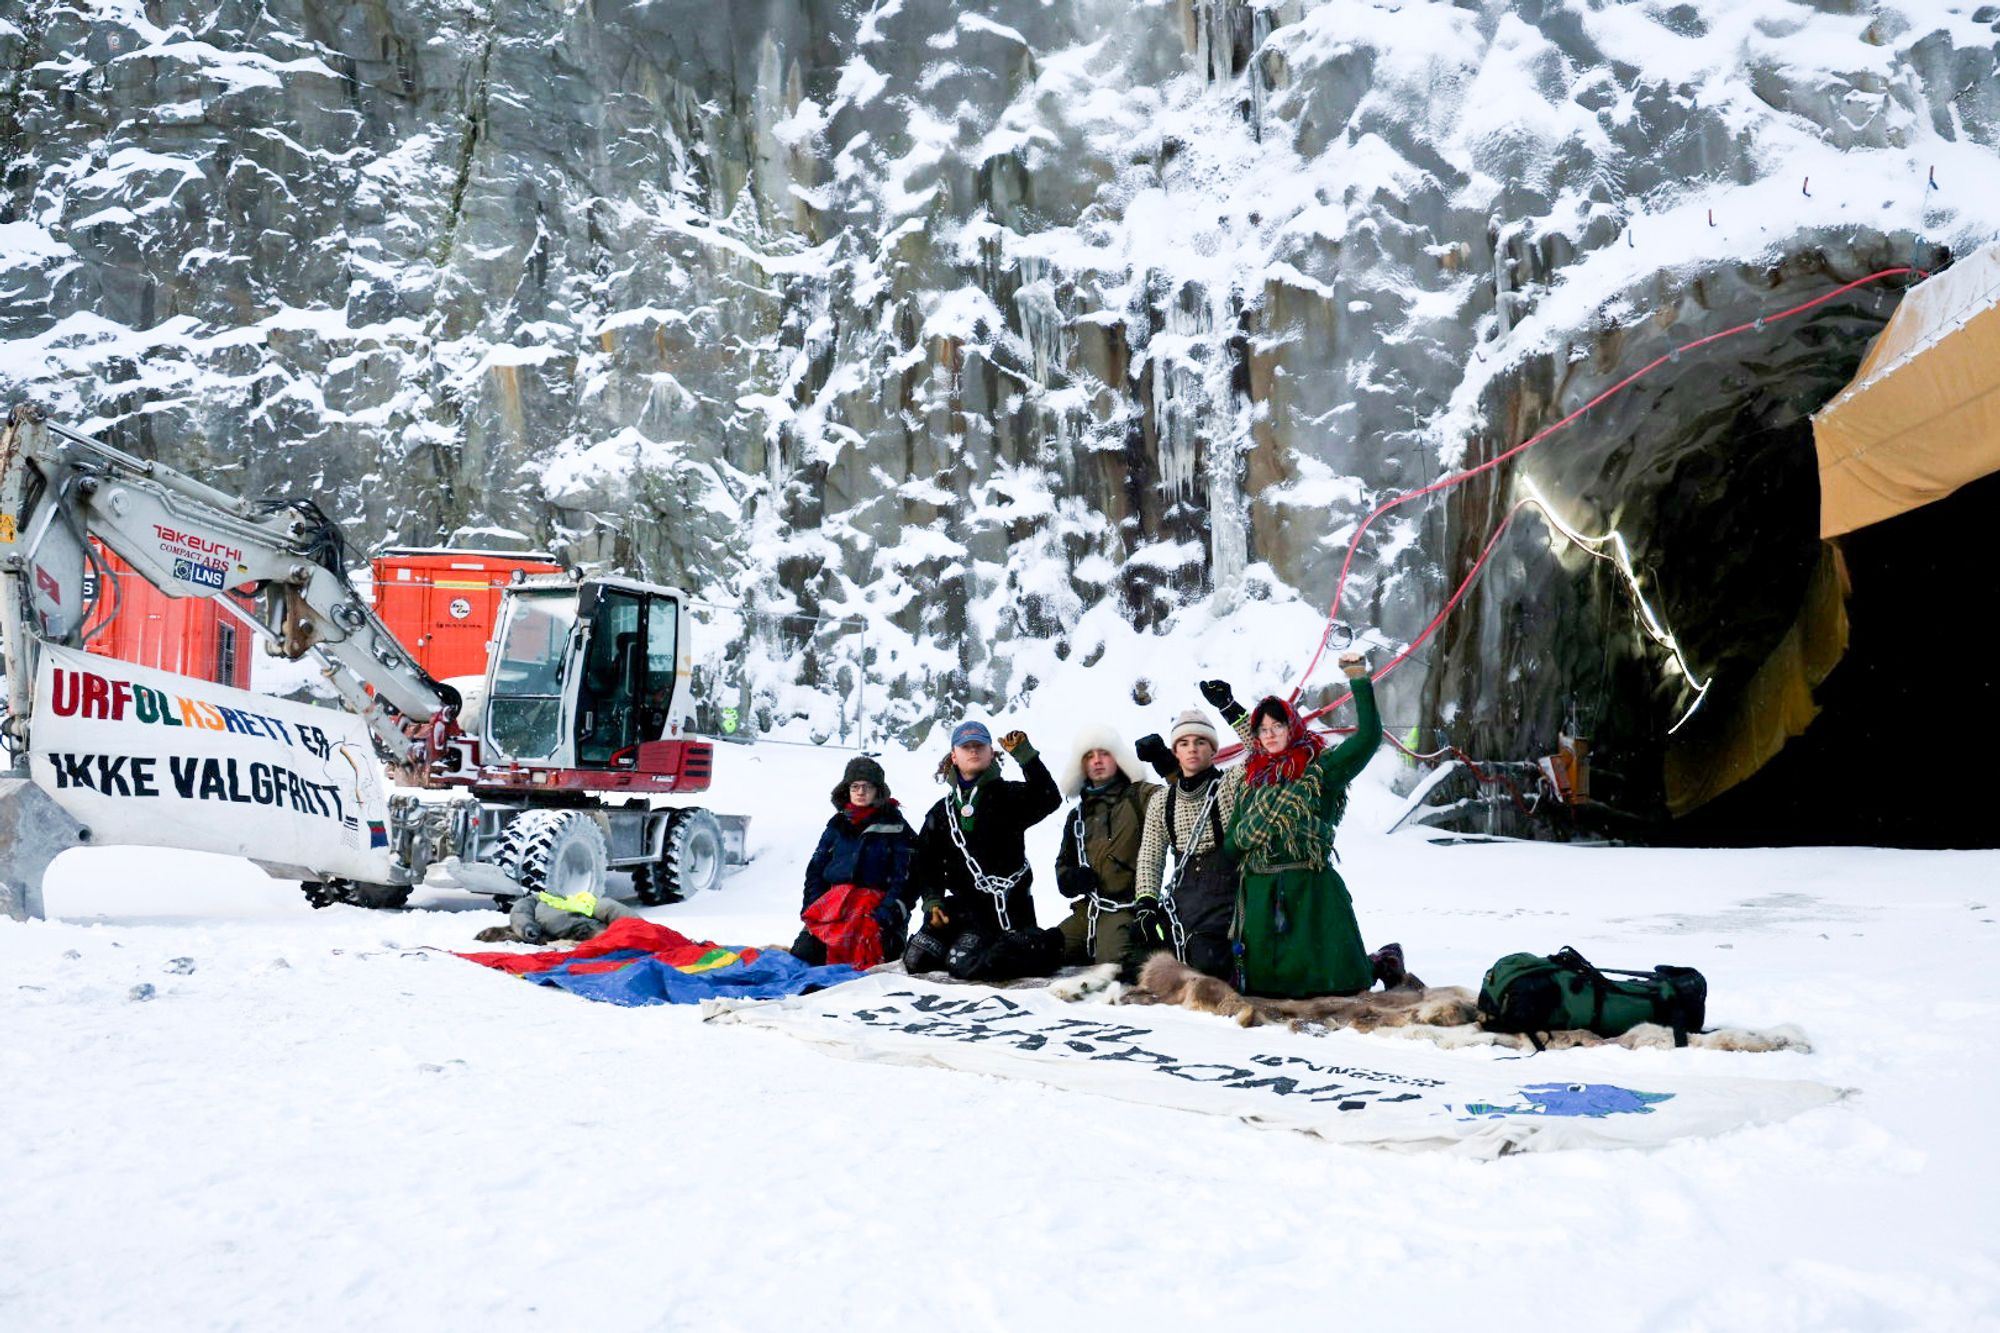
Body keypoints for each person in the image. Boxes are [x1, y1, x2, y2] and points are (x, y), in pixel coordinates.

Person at [1211, 651, 1396, 998]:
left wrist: (1358, 678)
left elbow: (1369, 738)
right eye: (1263, 729)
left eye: (1277, 726)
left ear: (1292, 726)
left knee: (1336, 987)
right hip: (1261, 899)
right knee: (1264, 990)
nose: (1270, 735)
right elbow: (1232, 844)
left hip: (1311, 897)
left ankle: (1384, 963)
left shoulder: (1320, 771)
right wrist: (1251, 833)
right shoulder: (1251, 780)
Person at [903, 720, 1062, 981]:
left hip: (1006, 910)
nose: (973, 750)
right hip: (962, 909)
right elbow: (927, 862)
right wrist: (933, 901)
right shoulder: (941, 812)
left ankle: (1040, 943)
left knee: (966, 964)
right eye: (966, 746)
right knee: (916, 958)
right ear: (954, 756)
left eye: (979, 745)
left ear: (991, 753)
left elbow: (1049, 797)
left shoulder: (1010, 796)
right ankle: (982, 948)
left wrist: (1027, 758)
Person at [1130, 705, 1241, 980]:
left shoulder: (1229, 785)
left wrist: (1231, 709)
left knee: (1205, 962)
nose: (1192, 749)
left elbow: (1263, 754)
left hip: (1225, 899)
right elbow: (1151, 855)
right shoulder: (1162, 800)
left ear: (1213, 750)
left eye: (1200, 742)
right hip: (1182, 898)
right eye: (1184, 743)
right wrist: (1146, 904)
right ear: (1175, 752)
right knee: (1135, 962)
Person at [791, 756, 916, 967]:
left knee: (872, 958)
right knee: (804, 954)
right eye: (855, 786)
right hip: (835, 908)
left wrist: (886, 915)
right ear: (846, 790)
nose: (860, 792)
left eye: (867, 786)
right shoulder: (837, 825)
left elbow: (905, 879)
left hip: (876, 911)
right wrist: (814, 909)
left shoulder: (896, 826)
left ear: (878, 791)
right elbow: (816, 871)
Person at [1052, 728, 1161, 967]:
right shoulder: (1078, 815)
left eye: (1104, 753)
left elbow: (1179, 800)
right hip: (1088, 910)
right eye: (1089, 756)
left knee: (1112, 963)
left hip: (1126, 907)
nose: (1097, 761)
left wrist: (1166, 763)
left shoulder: (1139, 796)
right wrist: (1070, 878)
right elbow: (1064, 862)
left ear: (1119, 758)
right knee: (1045, 948)